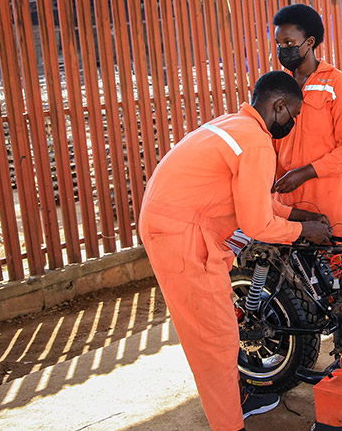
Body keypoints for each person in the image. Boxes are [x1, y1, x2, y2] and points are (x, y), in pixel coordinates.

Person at [138, 71, 332, 431]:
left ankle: (236, 395)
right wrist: (305, 230)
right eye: (294, 114)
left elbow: (252, 200)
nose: (294, 122)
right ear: (279, 107)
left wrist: (297, 214)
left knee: (219, 327)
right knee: (214, 339)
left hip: (174, 222)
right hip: (180, 234)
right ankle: (230, 424)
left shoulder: (237, 125)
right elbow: (258, 225)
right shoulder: (257, 143)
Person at [271, 4, 342, 330]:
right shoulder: (276, 85)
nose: (283, 50)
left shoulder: (340, 86)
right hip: (285, 203)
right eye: (279, 44)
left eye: (289, 43)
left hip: (328, 202)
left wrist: (303, 173)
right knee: (289, 283)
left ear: (309, 42)